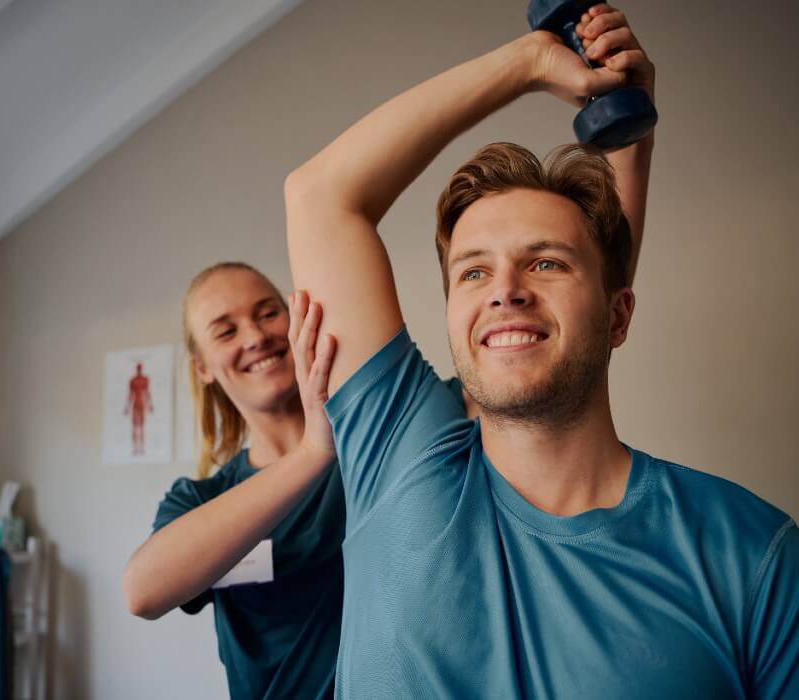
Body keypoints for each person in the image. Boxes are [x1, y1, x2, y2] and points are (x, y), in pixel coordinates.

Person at [284, 4, 798, 698]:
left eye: (546, 264)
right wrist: (528, 62)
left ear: (620, 315)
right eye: (473, 271)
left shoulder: (750, 555)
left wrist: (629, 136)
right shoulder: (401, 461)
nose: (506, 292)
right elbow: (319, 196)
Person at [122, 262, 345, 699]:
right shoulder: (202, 499)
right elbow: (141, 593)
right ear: (202, 366)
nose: (256, 337)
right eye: (226, 331)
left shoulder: (379, 441)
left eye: (267, 313)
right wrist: (313, 453)